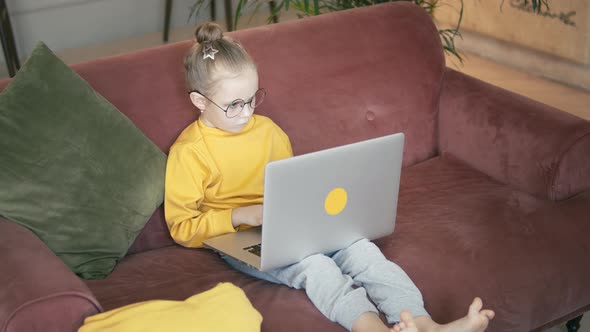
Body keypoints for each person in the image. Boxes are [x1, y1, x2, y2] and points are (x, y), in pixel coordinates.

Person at [164, 22, 495, 332]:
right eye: (234, 104)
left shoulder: (269, 131)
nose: (248, 112)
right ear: (198, 100)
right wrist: (241, 215)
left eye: (252, 99)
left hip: (293, 224)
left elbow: (294, 184)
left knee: (363, 250)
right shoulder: (190, 151)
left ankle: (424, 325)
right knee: (316, 267)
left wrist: (313, 213)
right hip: (238, 238)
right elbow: (182, 227)